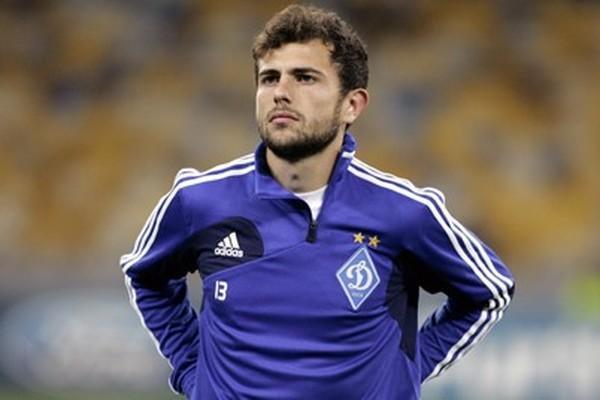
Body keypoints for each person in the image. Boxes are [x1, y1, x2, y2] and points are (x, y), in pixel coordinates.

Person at [120, 4, 515, 399]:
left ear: (352, 105)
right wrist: (193, 369)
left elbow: (489, 291)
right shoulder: (198, 201)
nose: (281, 93)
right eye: (269, 78)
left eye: (305, 78)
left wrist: (407, 370)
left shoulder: (405, 212)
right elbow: (145, 276)